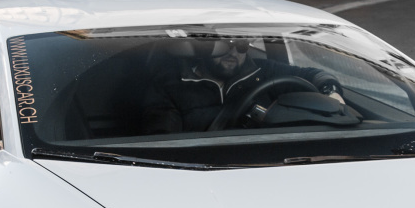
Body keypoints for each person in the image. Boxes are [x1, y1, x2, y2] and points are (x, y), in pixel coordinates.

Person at [142, 37, 345, 134]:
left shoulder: (264, 71)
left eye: (241, 46)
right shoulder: (171, 86)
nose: (233, 53)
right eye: (224, 45)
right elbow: (163, 142)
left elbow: (314, 75)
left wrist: (332, 93)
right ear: (205, 47)